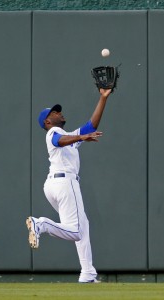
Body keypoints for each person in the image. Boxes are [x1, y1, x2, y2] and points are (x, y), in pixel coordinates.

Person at [26, 88, 112, 283]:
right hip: (65, 183)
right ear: (47, 122)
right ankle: (41, 224)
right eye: (54, 112)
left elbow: (92, 125)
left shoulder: (69, 135)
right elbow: (59, 140)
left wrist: (103, 97)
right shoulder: (54, 132)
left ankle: (88, 273)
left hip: (53, 185)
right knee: (76, 231)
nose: (59, 113)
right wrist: (80, 138)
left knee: (81, 226)